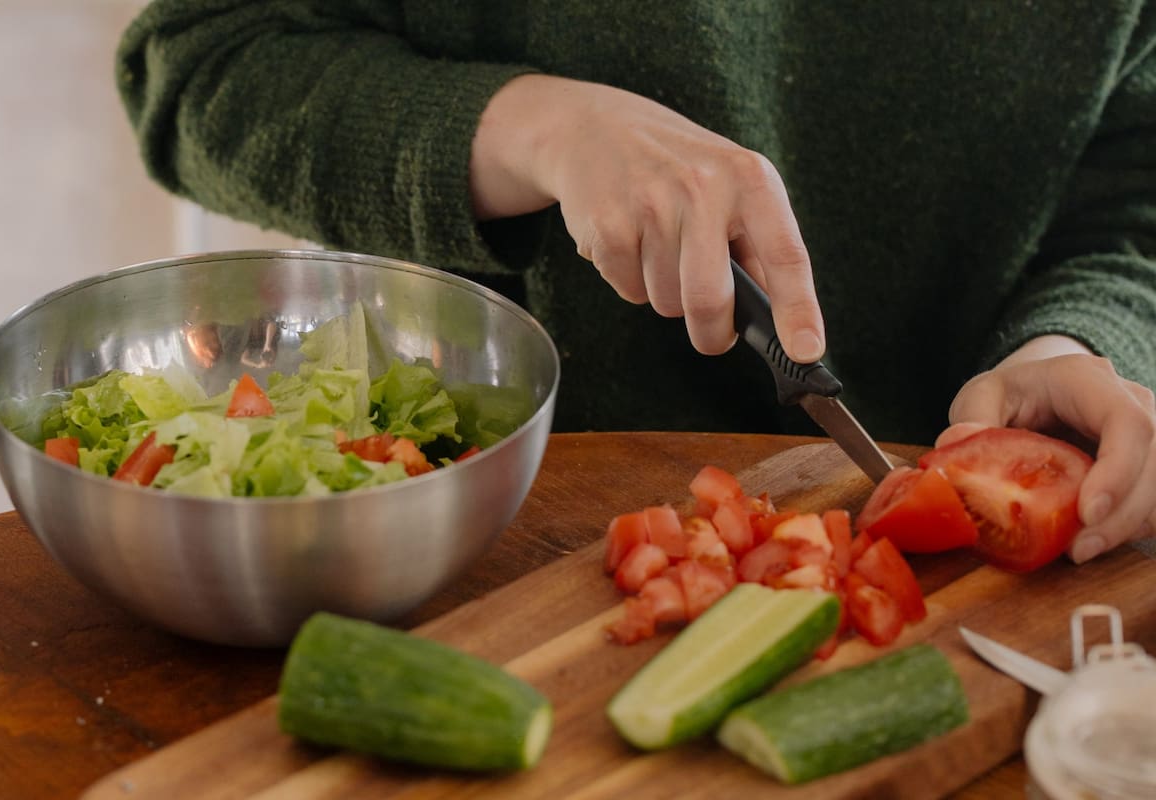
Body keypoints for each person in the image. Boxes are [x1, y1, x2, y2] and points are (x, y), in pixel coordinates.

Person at [114, 1, 1156, 563]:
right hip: (469, 533)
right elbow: (200, 64)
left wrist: (1070, 345)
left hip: (983, 569)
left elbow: (1133, 201)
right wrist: (536, 128)